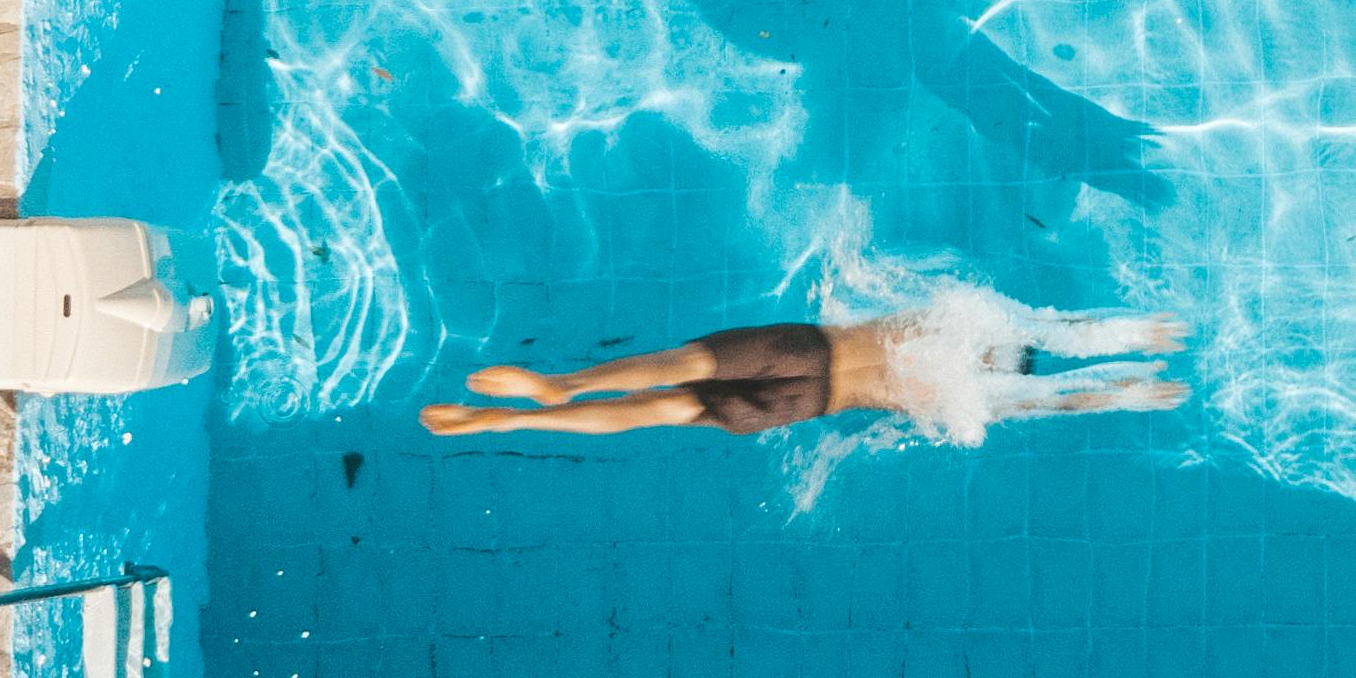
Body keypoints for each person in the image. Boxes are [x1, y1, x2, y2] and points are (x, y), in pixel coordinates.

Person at [418, 302, 1185, 442]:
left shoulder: (964, 319)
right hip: (804, 403)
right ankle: (512, 419)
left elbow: (1050, 326)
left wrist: (1126, 331)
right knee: (653, 414)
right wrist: (1126, 391)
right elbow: (1055, 401)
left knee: (678, 363)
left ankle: (563, 382)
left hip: (802, 349)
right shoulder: (980, 396)